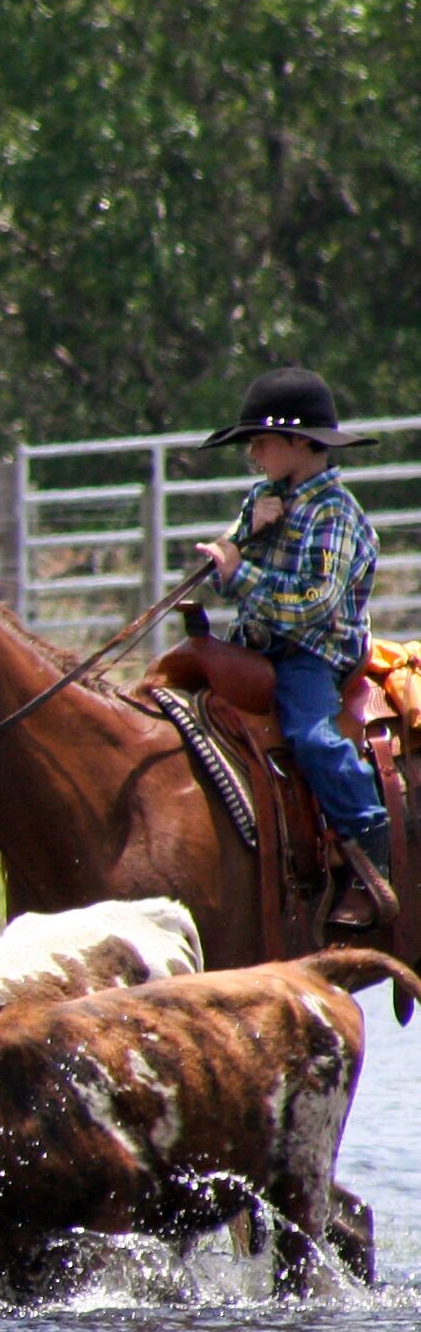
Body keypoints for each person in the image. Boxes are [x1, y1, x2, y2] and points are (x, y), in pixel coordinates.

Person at [191, 365, 395, 930]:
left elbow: (315, 604)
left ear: (302, 442)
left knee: (311, 735)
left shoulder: (336, 513)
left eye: (261, 441)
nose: (253, 453)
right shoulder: (263, 498)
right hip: (257, 646)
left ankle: (368, 840)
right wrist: (242, 539)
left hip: (313, 653)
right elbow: (232, 563)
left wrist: (239, 573)